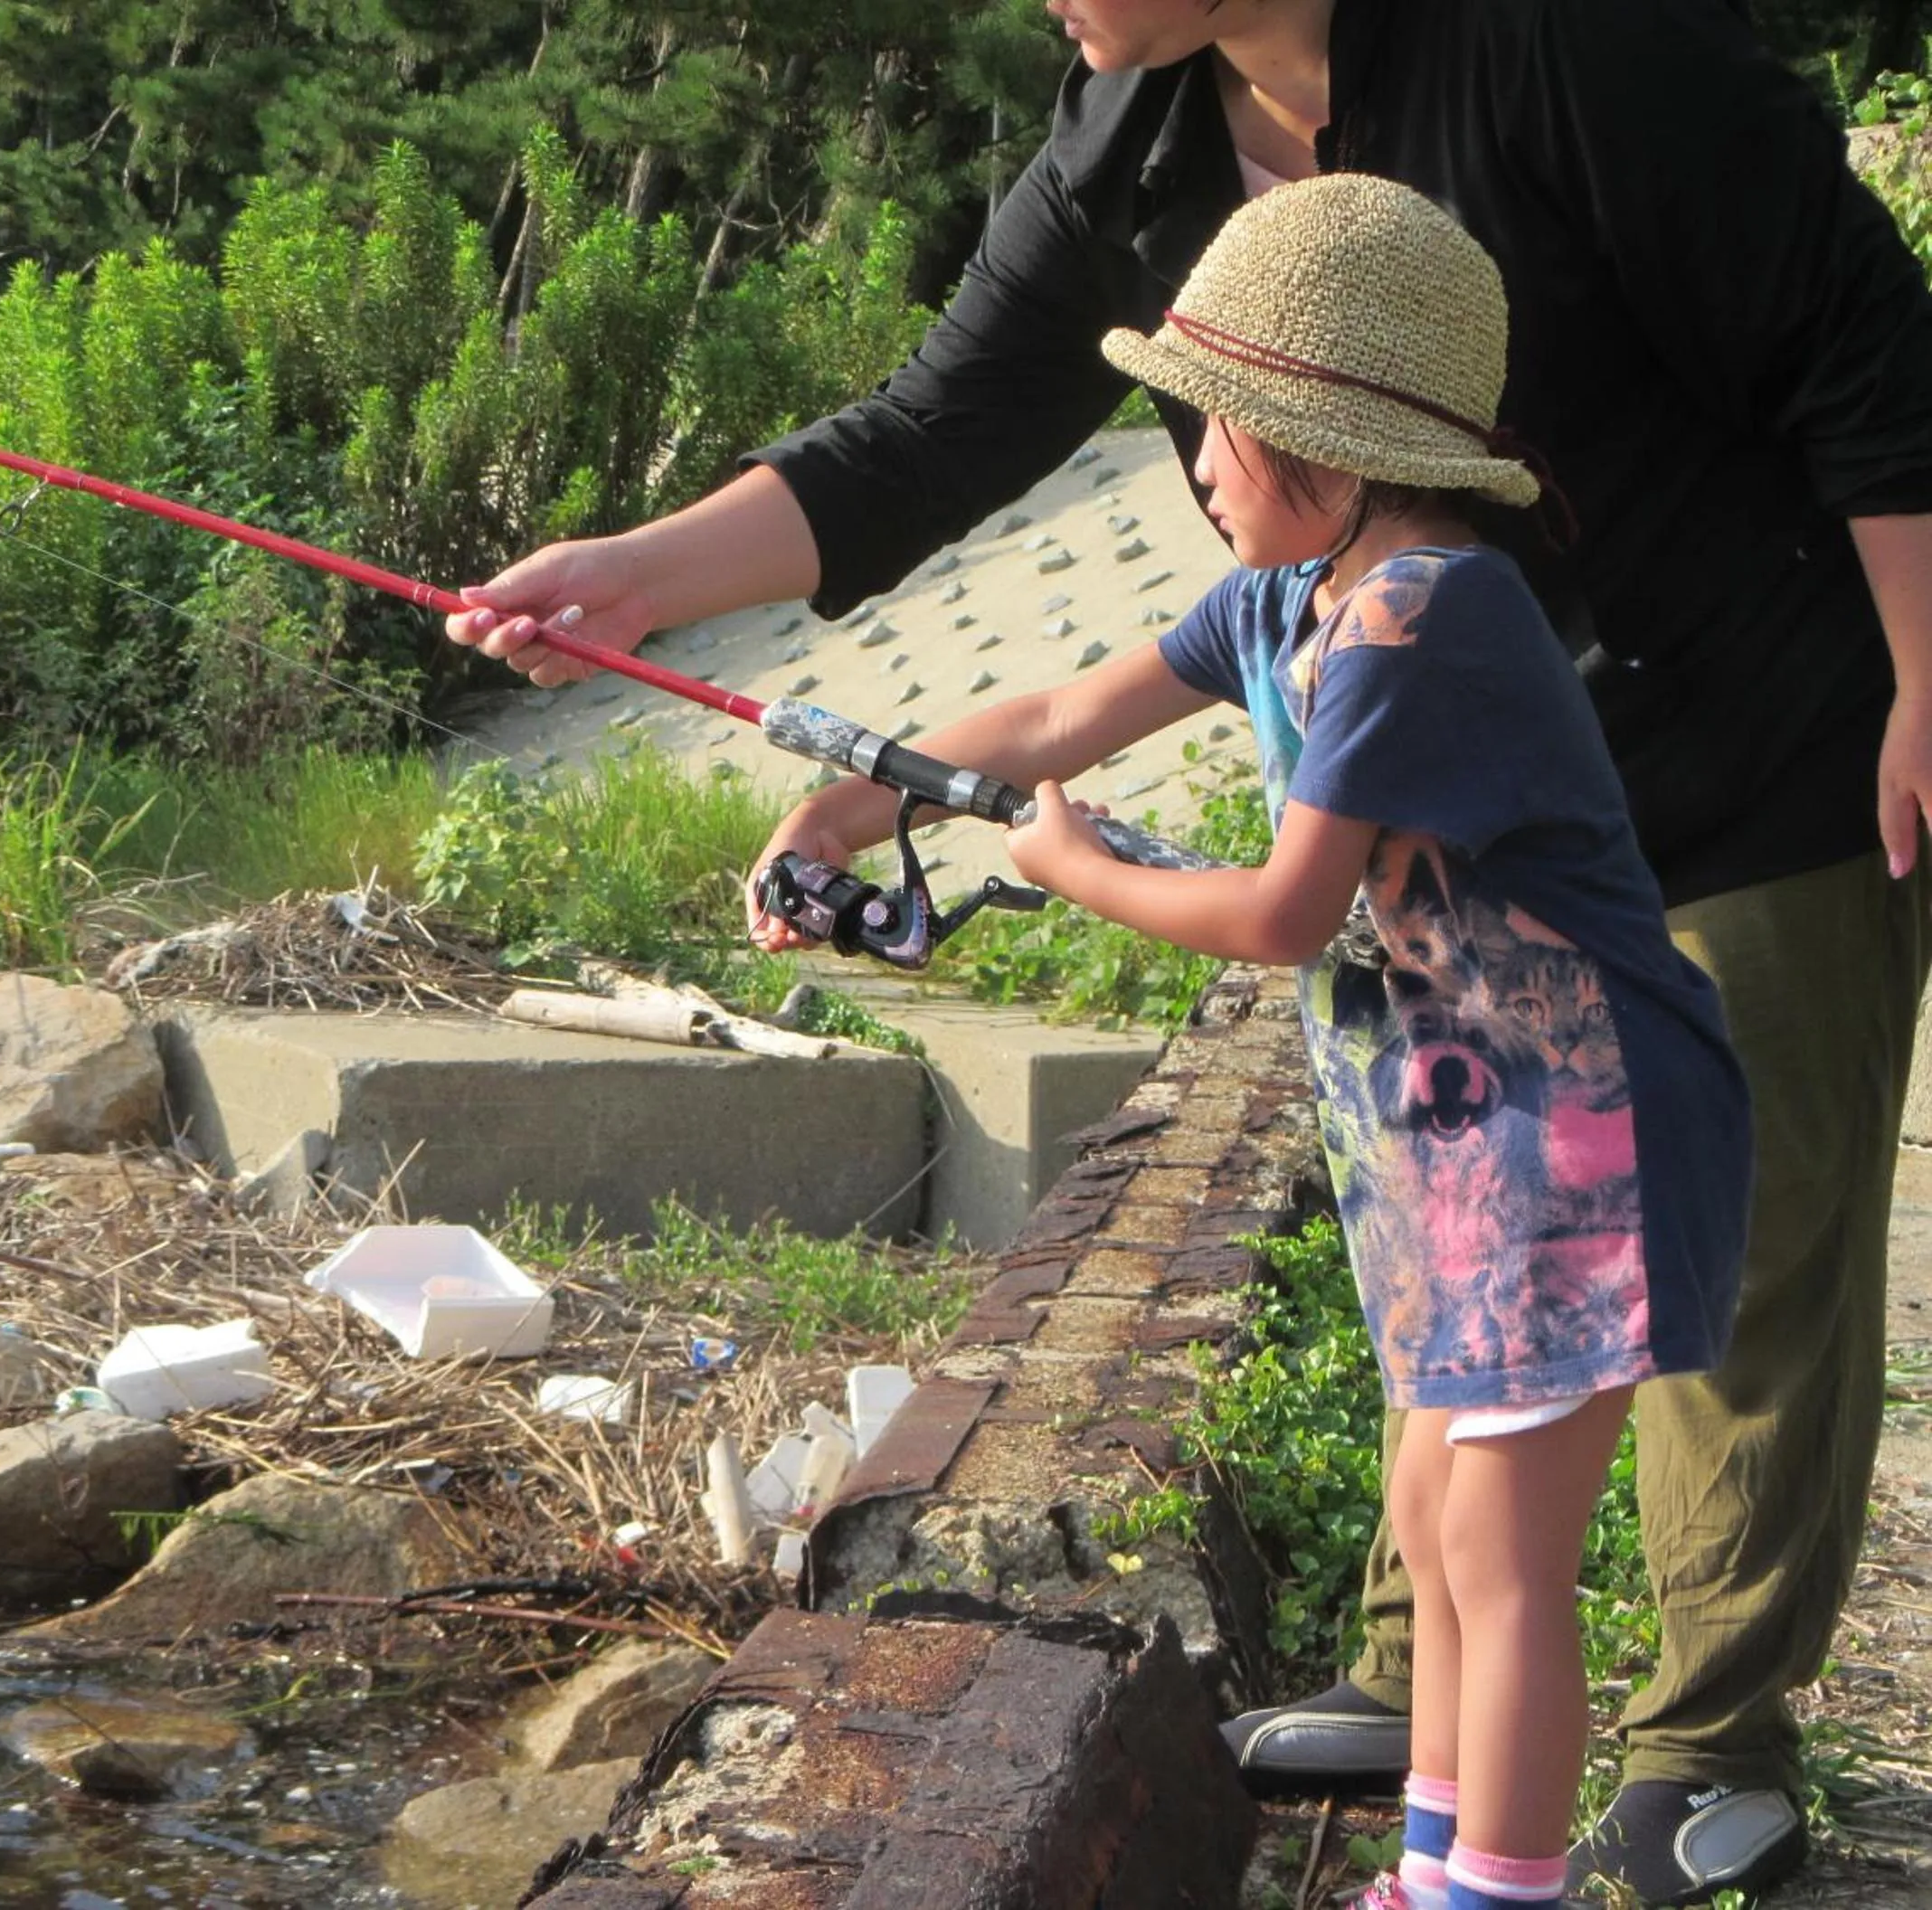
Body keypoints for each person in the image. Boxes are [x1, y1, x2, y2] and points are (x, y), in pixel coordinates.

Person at [444, 4, 1932, 1899]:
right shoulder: (1137, 150)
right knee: (1455, 1378)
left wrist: (1922, 684)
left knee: (1735, 1276)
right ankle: (1435, 1716)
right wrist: (669, 611)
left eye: (1213, 423)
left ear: (1316, 431)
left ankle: (1699, 1745)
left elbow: (1865, 343)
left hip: (1753, 736)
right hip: (1464, 941)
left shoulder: (1558, 59)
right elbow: (945, 460)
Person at [752, 167, 1750, 1910]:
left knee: (1504, 1551)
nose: (1197, 465)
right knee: (1441, 1515)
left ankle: (1489, 1894)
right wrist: (845, 811)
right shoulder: (1290, 598)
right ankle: (1437, 1870)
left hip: (1580, 1134)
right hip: (1463, 1131)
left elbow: (1286, 911)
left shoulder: (1428, 617)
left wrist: (1072, 866)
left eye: (1218, 430)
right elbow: (1064, 710)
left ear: (1337, 448)